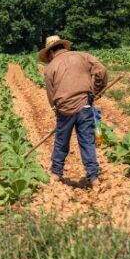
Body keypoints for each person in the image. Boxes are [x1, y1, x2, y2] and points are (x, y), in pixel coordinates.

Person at [40, 35, 108, 189]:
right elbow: (101, 70)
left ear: (50, 52)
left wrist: (55, 108)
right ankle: (93, 177)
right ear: (63, 47)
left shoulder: (50, 68)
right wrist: (97, 90)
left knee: (61, 142)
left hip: (64, 109)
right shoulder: (82, 56)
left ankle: (56, 173)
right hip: (85, 106)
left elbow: (51, 95)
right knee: (87, 142)